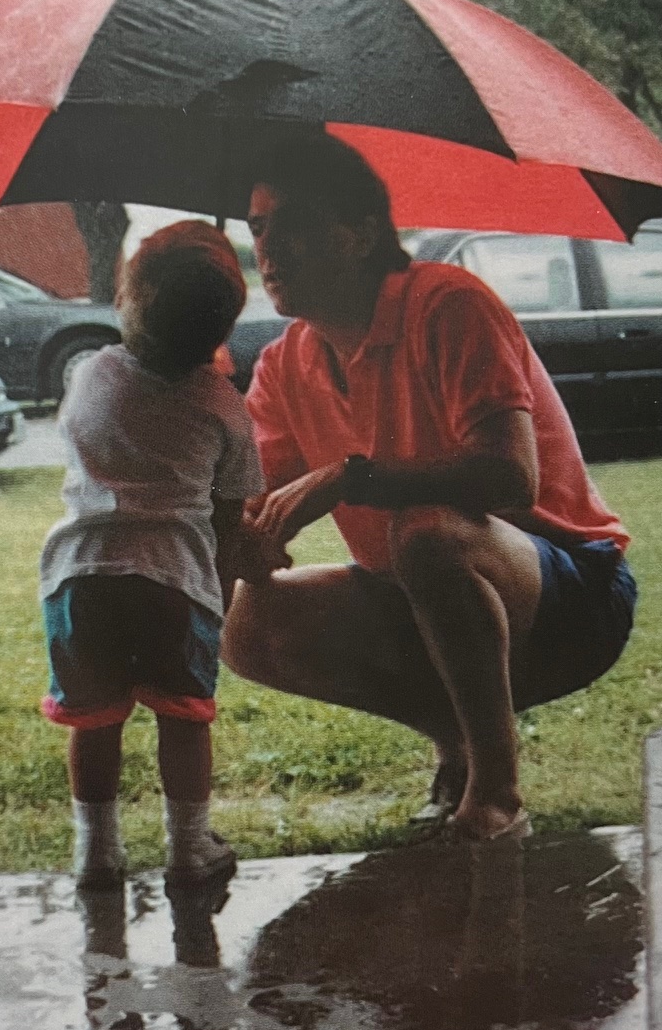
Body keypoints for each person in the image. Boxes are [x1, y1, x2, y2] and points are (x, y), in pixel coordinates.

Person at [221, 132, 637, 843]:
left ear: (359, 234)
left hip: (570, 596)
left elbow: (510, 477)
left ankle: (497, 793)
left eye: (292, 221)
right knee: (248, 623)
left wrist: (350, 478)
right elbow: (249, 501)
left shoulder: (449, 305)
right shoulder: (286, 362)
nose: (267, 245)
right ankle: (457, 738)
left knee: (424, 533)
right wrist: (240, 539)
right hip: (420, 590)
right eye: (258, 225)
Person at [39, 221, 266, 888]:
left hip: (82, 578)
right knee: (183, 719)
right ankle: (189, 848)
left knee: (95, 722)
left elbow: (92, 437)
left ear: (132, 303)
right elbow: (231, 515)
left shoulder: (91, 374)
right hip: (174, 581)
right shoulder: (225, 405)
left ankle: (97, 853)